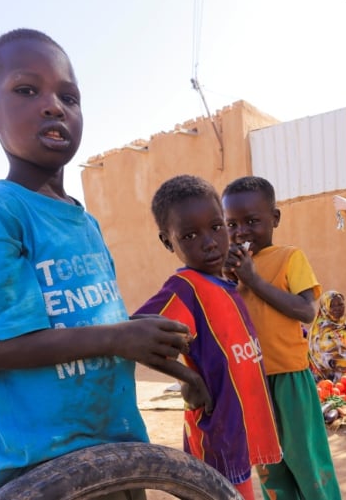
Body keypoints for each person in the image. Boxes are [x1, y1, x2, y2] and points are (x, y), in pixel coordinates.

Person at [0, 29, 209, 496]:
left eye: (69, 96)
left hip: (120, 452)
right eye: (27, 90)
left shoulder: (84, 223)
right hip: (49, 468)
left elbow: (97, 331)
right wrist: (119, 336)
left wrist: (177, 366)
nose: (53, 105)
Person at [134, 175, 282, 499]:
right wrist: (189, 378)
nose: (210, 242)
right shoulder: (186, 287)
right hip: (219, 432)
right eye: (189, 235)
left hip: (238, 426)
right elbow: (133, 332)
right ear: (167, 241)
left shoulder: (225, 283)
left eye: (217, 227)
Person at [222, 176, 342, 500]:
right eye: (231, 224)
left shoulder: (291, 257)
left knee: (306, 460)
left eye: (252, 221)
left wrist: (253, 280)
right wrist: (229, 282)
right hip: (250, 382)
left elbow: (306, 311)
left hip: (289, 377)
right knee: (268, 463)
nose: (241, 231)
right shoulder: (227, 270)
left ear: (274, 219)